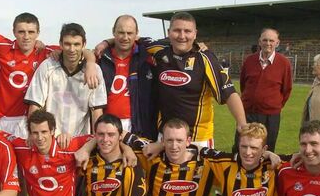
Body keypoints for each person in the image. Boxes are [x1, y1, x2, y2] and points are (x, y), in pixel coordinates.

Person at [96, 12, 246, 148]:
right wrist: (105, 43)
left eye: (187, 31)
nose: (182, 36)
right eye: (177, 30)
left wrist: (242, 123)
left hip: (197, 139)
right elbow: (128, 39)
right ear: (168, 33)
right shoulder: (158, 49)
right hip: (165, 137)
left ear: (195, 34)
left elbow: (229, 93)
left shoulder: (205, 58)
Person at [25, 23, 107, 137]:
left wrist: (95, 141)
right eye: (67, 44)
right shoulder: (47, 66)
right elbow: (35, 106)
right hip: (50, 139)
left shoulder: (94, 70)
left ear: (84, 45)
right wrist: (31, 135)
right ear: (60, 44)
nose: (72, 49)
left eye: (76, 44)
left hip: (79, 140)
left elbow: (96, 111)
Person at [97, 15, 157, 138]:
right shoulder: (101, 58)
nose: (125, 37)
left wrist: (197, 45)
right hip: (107, 125)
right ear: (113, 32)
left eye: (130, 33)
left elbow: (171, 43)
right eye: (121, 32)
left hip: (138, 125)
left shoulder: (146, 55)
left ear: (137, 34)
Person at [237, 28, 293, 151]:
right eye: (265, 40)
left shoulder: (284, 63)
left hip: (270, 116)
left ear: (277, 43)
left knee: (267, 149)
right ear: (259, 41)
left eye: (271, 40)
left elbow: (287, 89)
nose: (268, 43)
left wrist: (273, 104)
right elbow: (243, 84)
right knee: (241, 146)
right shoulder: (249, 60)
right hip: (248, 113)